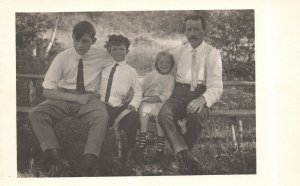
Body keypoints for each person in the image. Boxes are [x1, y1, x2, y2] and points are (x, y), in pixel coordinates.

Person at [28, 21, 113, 176]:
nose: (80, 45)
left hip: (88, 98)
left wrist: (130, 89)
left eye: (85, 41)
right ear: (72, 37)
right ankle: (55, 158)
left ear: (93, 41)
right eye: (76, 40)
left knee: (102, 116)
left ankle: (88, 163)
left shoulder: (102, 56)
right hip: (63, 96)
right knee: (35, 113)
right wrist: (74, 99)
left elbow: (119, 71)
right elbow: (47, 91)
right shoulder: (63, 57)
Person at [157, 14, 223, 174]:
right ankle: (187, 156)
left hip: (201, 93)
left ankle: (180, 157)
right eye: (189, 29)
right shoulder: (178, 52)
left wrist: (202, 99)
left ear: (204, 31)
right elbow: (164, 71)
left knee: (195, 117)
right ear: (185, 32)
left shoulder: (212, 53)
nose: (192, 33)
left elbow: (216, 86)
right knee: (164, 114)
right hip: (178, 94)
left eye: (196, 29)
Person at [99, 34, 142, 168]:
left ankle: (129, 149)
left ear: (127, 51)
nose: (118, 52)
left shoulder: (131, 71)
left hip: (120, 106)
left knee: (133, 117)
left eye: (121, 49)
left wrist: (133, 104)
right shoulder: (103, 68)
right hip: (103, 105)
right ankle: (100, 150)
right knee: (99, 118)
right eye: (115, 49)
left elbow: (138, 91)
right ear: (109, 51)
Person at [135, 51, 175, 166]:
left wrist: (157, 98)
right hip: (148, 99)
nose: (164, 64)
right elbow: (142, 87)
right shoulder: (151, 75)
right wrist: (141, 95)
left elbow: (167, 94)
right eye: (161, 62)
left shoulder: (170, 78)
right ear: (157, 64)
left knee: (160, 117)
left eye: (167, 62)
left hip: (161, 102)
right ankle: (141, 145)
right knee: (144, 111)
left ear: (171, 64)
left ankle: (160, 149)